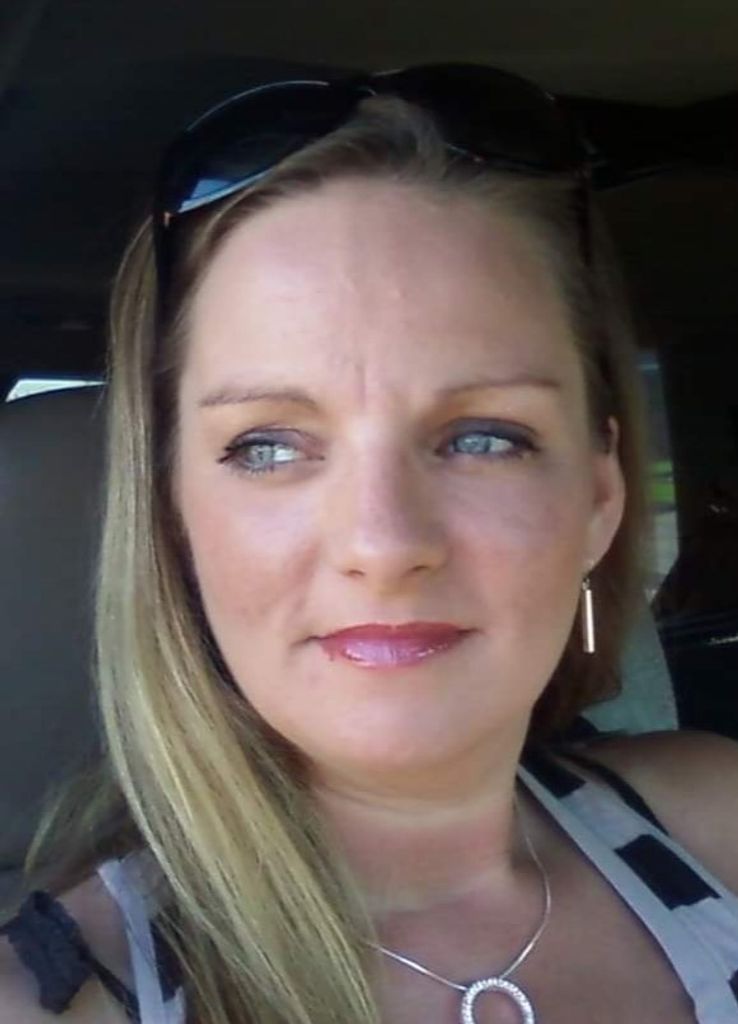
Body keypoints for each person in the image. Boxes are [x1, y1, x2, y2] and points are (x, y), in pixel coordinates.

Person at [1, 62, 737, 1024]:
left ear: (599, 497)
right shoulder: (54, 1001)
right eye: (268, 446)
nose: (384, 544)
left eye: (485, 438)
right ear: (173, 518)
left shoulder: (718, 823)